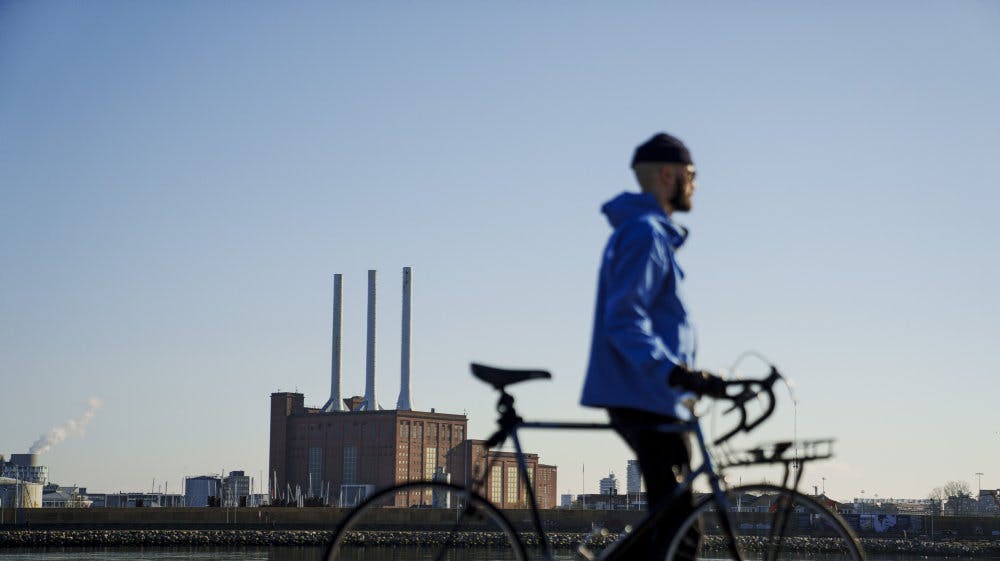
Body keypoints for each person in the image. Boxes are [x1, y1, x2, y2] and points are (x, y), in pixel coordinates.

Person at [580, 132, 727, 559]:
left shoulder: (650, 234)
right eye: (691, 174)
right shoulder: (645, 235)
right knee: (683, 531)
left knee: (668, 525)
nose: (695, 184)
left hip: (656, 395)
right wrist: (672, 371)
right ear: (669, 175)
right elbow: (624, 319)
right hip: (645, 395)